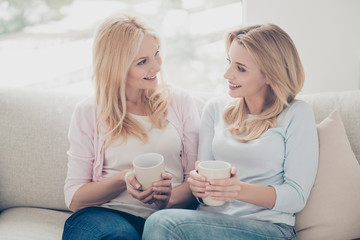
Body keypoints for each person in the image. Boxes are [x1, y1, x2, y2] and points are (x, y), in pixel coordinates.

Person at [143, 23, 319, 240]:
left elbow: (296, 196)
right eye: (229, 62)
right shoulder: (215, 109)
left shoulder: (296, 114)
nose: (227, 74)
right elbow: (201, 191)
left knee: (163, 223)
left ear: (270, 75)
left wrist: (237, 190)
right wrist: (198, 187)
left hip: (268, 228)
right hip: (210, 220)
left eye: (240, 68)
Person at [62, 13, 200, 240]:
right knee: (120, 236)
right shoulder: (89, 111)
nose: (156, 67)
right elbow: (75, 198)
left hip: (167, 217)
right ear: (117, 67)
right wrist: (123, 179)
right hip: (105, 216)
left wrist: (168, 198)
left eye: (156, 54)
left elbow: (195, 179)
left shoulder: (180, 101)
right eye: (142, 62)